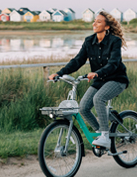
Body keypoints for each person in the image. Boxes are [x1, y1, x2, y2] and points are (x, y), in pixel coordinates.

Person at [48, 11, 129, 148]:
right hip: (100, 80)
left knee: (99, 99)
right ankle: (102, 133)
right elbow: (78, 61)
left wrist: (97, 73)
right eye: (94, 21)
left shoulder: (115, 41)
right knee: (83, 108)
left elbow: (114, 63)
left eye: (98, 21)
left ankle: (105, 137)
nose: (94, 23)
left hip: (116, 79)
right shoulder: (89, 41)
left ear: (107, 26)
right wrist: (59, 73)